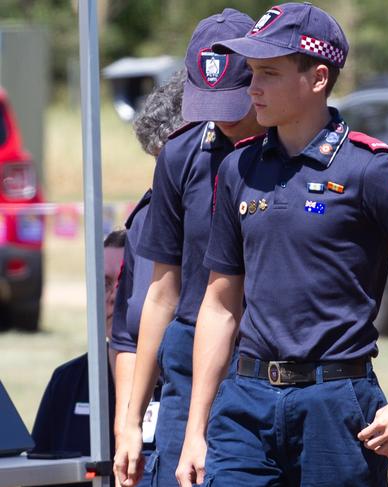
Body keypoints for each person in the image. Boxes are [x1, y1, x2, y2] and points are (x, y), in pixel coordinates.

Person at [176, 4, 388, 486]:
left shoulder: (368, 169)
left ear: (318, 78)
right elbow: (220, 305)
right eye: (252, 72)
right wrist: (195, 430)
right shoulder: (238, 169)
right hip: (244, 406)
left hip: (335, 406)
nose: (252, 87)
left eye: (269, 74)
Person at [113, 9, 264, 487]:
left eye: (232, 105)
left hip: (264, 361)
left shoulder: (292, 155)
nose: (221, 122)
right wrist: (131, 420)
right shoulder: (180, 153)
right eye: (208, 104)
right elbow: (161, 292)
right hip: (187, 358)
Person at [110, 70, 186, 486]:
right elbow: (124, 336)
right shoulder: (144, 221)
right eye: (158, 165)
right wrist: (127, 425)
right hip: (155, 423)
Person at [31, 229, 125, 487]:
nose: (114, 296)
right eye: (105, 283)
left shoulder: (176, 384)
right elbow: (36, 471)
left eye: (125, 281)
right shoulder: (66, 382)